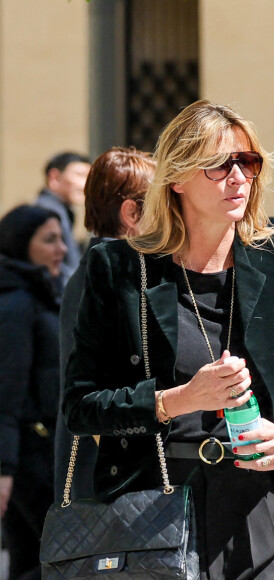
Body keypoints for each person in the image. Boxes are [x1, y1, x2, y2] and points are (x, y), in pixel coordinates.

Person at [62, 100, 274, 579]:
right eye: (219, 164)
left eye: (247, 162)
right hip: (153, 503)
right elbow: (81, 406)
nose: (238, 177)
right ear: (177, 177)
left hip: (261, 504)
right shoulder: (119, 268)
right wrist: (178, 400)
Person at [54, 147, 156, 501]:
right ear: (132, 213)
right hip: (108, 482)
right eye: (162, 204)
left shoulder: (109, 271)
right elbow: (90, 395)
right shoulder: (107, 276)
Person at [0, 205, 67, 580]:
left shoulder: (42, 291)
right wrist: (5, 470)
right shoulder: (17, 302)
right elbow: (6, 390)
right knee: (49, 557)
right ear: (21, 244)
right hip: (28, 458)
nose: (61, 248)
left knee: (32, 556)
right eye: (49, 239)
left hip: (40, 450)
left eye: (60, 237)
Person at [36, 151, 91, 275]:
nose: (86, 184)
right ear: (54, 178)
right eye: (80, 175)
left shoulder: (60, 209)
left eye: (89, 177)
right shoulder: (48, 211)